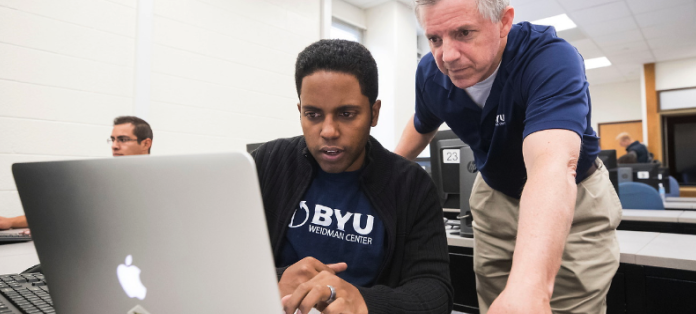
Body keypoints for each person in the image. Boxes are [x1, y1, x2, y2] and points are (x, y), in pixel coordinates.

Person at [394, 0, 621, 313]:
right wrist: (381, 174)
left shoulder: (549, 58)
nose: (447, 55)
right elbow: (423, 123)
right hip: (494, 195)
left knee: (558, 303)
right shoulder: (431, 73)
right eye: (434, 39)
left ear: (503, 22)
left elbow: (551, 168)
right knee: (497, 302)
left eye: (463, 33)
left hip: (570, 196)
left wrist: (531, 287)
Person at [251, 39, 452, 314]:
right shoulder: (269, 162)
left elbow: (435, 293)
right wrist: (276, 279)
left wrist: (364, 302)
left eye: (346, 114)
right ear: (300, 112)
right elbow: (222, 257)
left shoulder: (410, 185)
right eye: (313, 115)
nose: (329, 131)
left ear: (374, 113)